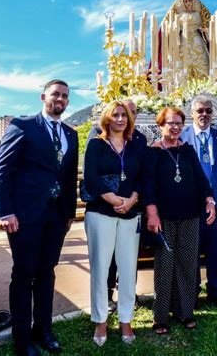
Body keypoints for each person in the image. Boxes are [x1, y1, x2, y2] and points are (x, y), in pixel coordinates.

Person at [0, 80, 78, 356]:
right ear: (44, 97)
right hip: (25, 216)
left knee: (46, 273)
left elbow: (67, 177)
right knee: (24, 274)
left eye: (65, 96)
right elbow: (2, 171)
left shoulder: (70, 134)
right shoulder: (23, 125)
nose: (61, 99)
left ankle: (43, 329)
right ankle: (22, 338)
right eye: (56, 94)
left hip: (56, 218)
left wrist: (68, 213)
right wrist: (5, 210)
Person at [84, 101, 151, 347]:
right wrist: (114, 200)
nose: (121, 119)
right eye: (116, 115)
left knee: (128, 267)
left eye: (124, 115)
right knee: (101, 269)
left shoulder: (135, 147)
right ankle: (100, 320)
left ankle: (126, 319)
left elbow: (143, 177)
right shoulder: (96, 144)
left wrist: (132, 200)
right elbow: (91, 177)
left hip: (130, 214)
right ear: (107, 119)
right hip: (101, 212)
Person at [146, 107, 216, 335]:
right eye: (170, 123)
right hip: (164, 218)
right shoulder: (153, 153)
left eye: (179, 123)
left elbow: (201, 179)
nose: (175, 127)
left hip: (190, 216)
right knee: (165, 266)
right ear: (160, 125)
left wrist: (209, 200)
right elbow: (148, 186)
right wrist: (152, 212)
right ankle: (160, 316)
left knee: (187, 264)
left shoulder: (187, 151)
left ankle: (185, 311)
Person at [181, 96, 217, 308]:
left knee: (216, 250)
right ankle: (193, 292)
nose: (204, 114)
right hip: (191, 205)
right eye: (199, 111)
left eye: (207, 110)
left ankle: (215, 292)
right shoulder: (183, 136)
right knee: (192, 251)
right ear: (192, 114)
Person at [176, 0, 209, 80]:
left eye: (190, 0)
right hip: (184, 39)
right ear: (183, 3)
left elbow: (204, 25)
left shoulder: (197, 14)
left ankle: (203, 80)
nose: (188, 3)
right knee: (183, 61)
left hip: (196, 38)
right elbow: (176, 27)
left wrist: (205, 30)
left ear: (194, 1)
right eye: (185, 1)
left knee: (201, 59)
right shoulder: (180, 15)